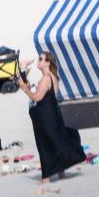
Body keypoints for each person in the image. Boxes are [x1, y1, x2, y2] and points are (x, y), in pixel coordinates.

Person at [18, 52, 82, 183]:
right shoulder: (51, 77)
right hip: (51, 115)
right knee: (55, 141)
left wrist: (25, 90)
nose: (39, 61)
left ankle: (46, 178)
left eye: (41, 59)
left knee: (45, 144)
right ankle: (61, 172)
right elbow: (42, 95)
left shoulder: (47, 78)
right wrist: (29, 87)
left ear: (47, 63)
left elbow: (37, 97)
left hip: (45, 117)